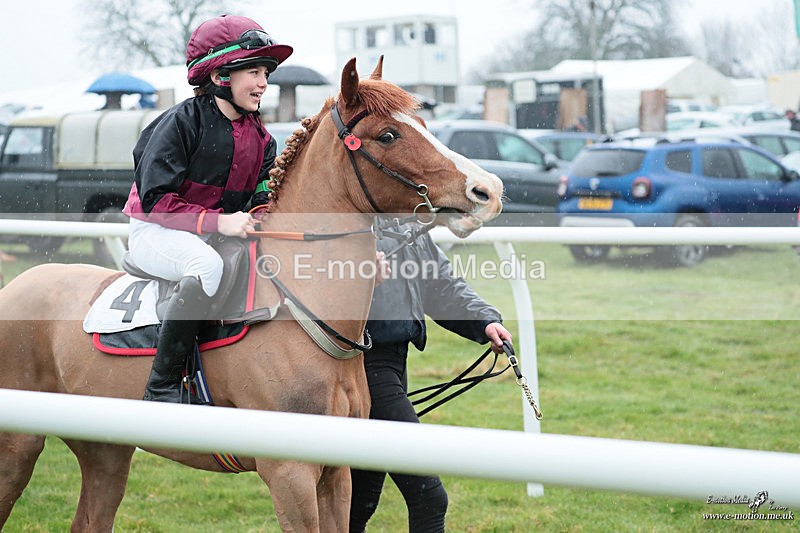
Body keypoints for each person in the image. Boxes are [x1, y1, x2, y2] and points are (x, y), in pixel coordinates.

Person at [122, 14, 293, 403]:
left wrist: (262, 217)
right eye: (253, 71)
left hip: (216, 231)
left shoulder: (263, 139)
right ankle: (162, 385)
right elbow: (155, 200)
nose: (263, 83)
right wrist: (219, 221)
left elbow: (263, 197)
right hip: (155, 231)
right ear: (220, 76)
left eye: (265, 72)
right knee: (206, 266)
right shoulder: (179, 123)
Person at [349, 222, 512, 532]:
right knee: (428, 497)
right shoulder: (351, 215)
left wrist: (484, 321)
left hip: (394, 364)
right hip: (365, 365)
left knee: (358, 501)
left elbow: (441, 286)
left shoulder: (407, 221)